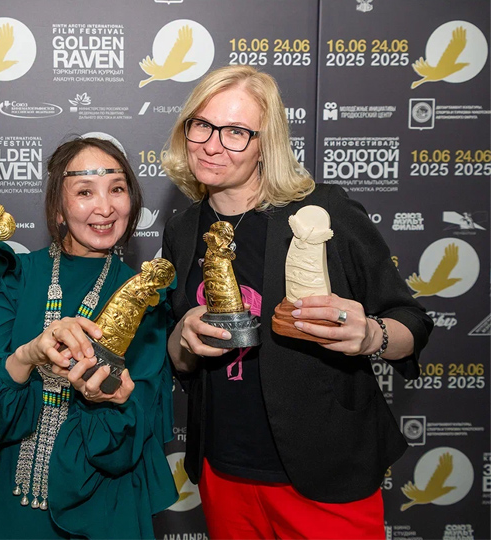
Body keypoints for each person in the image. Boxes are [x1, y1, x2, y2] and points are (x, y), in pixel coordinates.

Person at [161, 65, 433, 540]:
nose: (211, 144)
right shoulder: (183, 229)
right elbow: (181, 360)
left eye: (236, 132)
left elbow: (411, 321)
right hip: (224, 472)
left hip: (325, 472)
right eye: (201, 125)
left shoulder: (322, 212)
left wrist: (371, 334)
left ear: (265, 144)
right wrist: (183, 338)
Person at [0, 137, 177, 539]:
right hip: (2, 508)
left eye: (117, 189)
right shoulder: (13, 278)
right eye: (85, 192)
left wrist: (112, 401)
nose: (105, 207)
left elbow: (131, 442)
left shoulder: (146, 297)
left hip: (103, 508)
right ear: (58, 209)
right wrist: (25, 357)